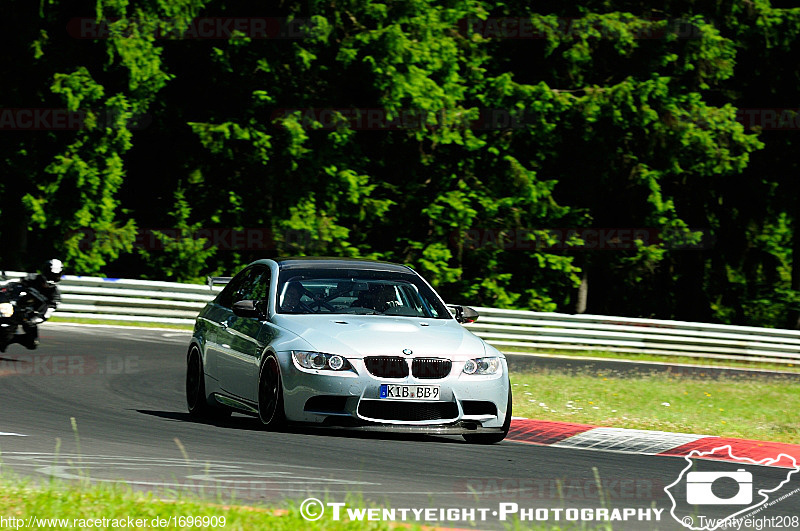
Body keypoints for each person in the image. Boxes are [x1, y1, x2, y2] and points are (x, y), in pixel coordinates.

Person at [1, 259, 62, 351]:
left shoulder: (55, 296)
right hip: (14, 309)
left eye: (56, 276)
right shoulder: (33, 278)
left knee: (32, 343)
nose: (53, 278)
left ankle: (11, 339)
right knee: (4, 338)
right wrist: (5, 289)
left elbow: (47, 314)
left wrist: (33, 321)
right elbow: (14, 282)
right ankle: (4, 338)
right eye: (51, 275)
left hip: (30, 317)